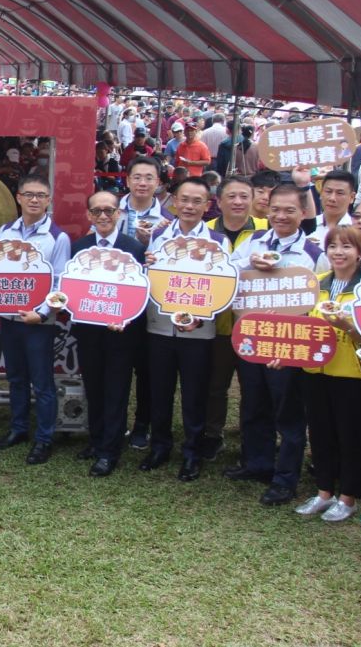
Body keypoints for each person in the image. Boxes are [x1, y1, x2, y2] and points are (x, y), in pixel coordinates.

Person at [227, 183, 323, 504]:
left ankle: (285, 478)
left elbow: (318, 304)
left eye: (289, 210)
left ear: (304, 213)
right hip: (252, 338)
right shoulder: (252, 243)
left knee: (289, 413)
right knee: (253, 403)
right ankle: (258, 463)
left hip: (287, 345)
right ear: (266, 210)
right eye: (275, 209)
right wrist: (249, 264)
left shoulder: (313, 255)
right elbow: (227, 275)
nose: (281, 216)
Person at [0, 173, 70, 465]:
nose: (34, 200)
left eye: (40, 195)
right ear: (18, 197)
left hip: (38, 322)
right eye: (29, 194)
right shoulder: (6, 231)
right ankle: (18, 429)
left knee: (42, 383)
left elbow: (60, 286)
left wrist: (41, 313)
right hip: (10, 318)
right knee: (16, 378)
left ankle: (44, 438)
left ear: (49, 200)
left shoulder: (58, 236)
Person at [141, 176, 229, 482]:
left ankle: (191, 452)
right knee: (160, 391)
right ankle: (160, 446)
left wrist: (202, 318)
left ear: (207, 206)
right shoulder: (159, 237)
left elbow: (223, 288)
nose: (189, 206)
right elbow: (148, 281)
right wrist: (146, 265)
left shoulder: (218, 242)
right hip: (160, 328)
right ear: (174, 202)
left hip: (198, 331)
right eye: (184, 200)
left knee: (194, 394)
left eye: (197, 201)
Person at [295, 226, 361, 523]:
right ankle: (324, 491)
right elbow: (299, 327)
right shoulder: (316, 283)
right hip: (315, 369)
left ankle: (348, 497)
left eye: (347, 247)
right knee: (320, 431)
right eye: (333, 247)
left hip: (352, 373)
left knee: (351, 435)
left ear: (359, 253)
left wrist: (348, 328)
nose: (339, 252)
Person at [69, 190, 146, 476]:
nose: (103, 216)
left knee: (116, 390)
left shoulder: (133, 248)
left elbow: (140, 294)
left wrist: (126, 317)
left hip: (121, 334)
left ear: (119, 214)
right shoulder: (80, 247)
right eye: (97, 211)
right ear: (88, 215)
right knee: (94, 387)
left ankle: (109, 451)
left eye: (109, 211)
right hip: (88, 331)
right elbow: (73, 289)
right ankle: (97, 439)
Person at [201, 176, 268, 461]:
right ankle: (212, 435)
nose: (238, 202)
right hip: (216, 323)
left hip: (256, 324)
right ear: (218, 201)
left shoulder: (266, 231)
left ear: (252, 199)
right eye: (231, 196)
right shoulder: (205, 232)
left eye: (244, 196)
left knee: (254, 387)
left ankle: (252, 439)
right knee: (215, 384)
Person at [117, 156, 171, 447]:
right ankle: (113, 422)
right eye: (137, 177)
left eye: (149, 177)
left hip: (151, 303)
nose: (142, 183)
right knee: (117, 363)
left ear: (158, 183)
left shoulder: (168, 222)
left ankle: (142, 424)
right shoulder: (110, 211)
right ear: (127, 180)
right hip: (116, 300)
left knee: (146, 368)